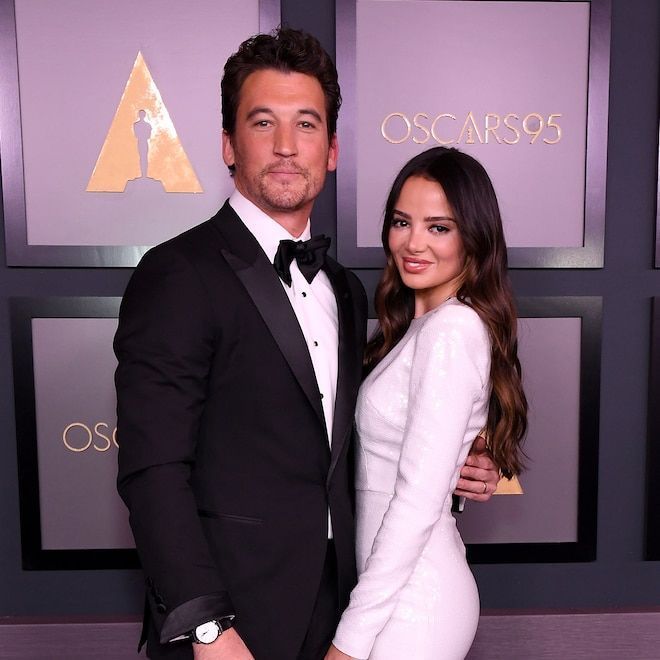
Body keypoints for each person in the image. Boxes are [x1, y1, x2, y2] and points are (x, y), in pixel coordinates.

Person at [114, 30, 500, 660]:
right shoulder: (177, 274)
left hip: (346, 613)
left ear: (333, 149)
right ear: (227, 146)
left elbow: (367, 442)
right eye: (263, 123)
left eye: (307, 125)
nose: (287, 146)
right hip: (229, 621)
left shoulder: (347, 290)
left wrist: (462, 468)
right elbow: (152, 470)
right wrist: (207, 625)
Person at [326, 147, 528, 660]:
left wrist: (347, 644)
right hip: (389, 589)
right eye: (401, 222)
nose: (413, 243)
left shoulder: (452, 330)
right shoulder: (418, 329)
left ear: (474, 238)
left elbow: (416, 503)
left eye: (439, 227)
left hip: (413, 603)